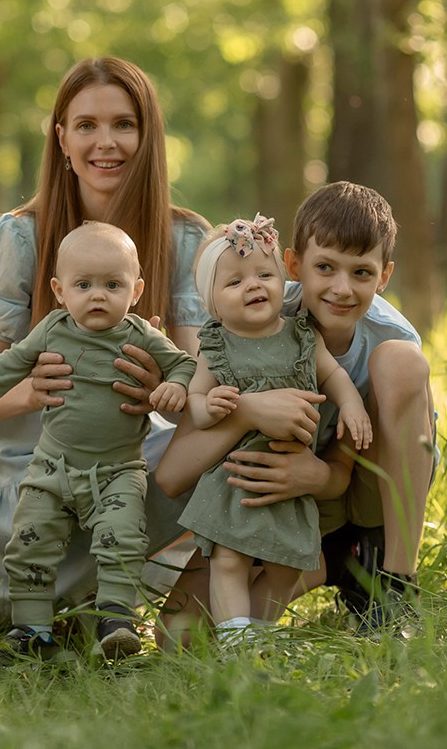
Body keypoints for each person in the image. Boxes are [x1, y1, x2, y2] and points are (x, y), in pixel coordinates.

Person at [0, 56, 211, 633]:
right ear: (61, 138)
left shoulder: (185, 239)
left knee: (233, 434)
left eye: (124, 125)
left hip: (119, 463)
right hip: (27, 472)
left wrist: (161, 389)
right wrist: (34, 390)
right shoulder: (22, 235)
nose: (106, 143)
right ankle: (49, 599)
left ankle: (192, 608)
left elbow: (199, 387)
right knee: (38, 531)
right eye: (86, 125)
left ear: (148, 135)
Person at [156, 181, 435, 642]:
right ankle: (336, 564)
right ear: (292, 264)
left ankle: (394, 583)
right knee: (178, 634)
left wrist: (323, 476)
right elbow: (171, 476)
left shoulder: (388, 335)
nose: (342, 289)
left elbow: (356, 465)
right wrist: (246, 412)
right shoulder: (250, 315)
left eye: (361, 273)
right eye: (324, 267)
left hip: (368, 495)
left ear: (384, 276)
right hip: (278, 506)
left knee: (400, 361)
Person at [0, 222, 196, 659]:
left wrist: (176, 386)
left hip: (118, 471)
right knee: (32, 539)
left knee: (122, 539)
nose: (98, 295)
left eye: (113, 284)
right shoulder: (52, 330)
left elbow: (185, 363)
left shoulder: (141, 335)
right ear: (59, 290)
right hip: (52, 467)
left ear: (136, 290)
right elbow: (6, 366)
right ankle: (33, 630)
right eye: (84, 284)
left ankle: (116, 621)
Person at [178, 213, 371, 645]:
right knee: (229, 561)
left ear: (282, 279)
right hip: (237, 476)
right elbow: (195, 402)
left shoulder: (301, 336)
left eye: (264, 274)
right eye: (235, 282)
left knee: (286, 568)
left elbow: (334, 376)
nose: (253, 285)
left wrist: (353, 405)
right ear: (211, 301)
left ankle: (258, 634)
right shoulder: (214, 346)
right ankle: (234, 639)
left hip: (291, 476)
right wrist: (211, 407)